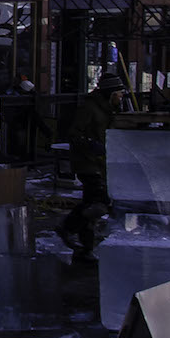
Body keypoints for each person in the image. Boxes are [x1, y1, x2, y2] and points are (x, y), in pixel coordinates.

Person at [59, 73, 127, 265]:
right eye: (119, 94)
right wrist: (90, 145)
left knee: (91, 203)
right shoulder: (90, 108)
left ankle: (85, 249)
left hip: (99, 162)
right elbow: (73, 133)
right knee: (99, 202)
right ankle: (68, 226)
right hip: (87, 162)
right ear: (110, 93)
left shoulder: (108, 110)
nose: (121, 98)